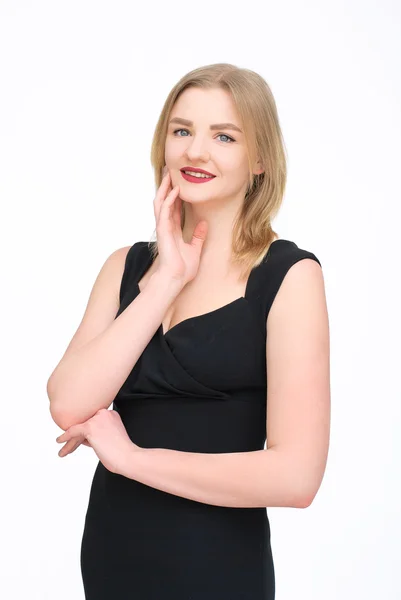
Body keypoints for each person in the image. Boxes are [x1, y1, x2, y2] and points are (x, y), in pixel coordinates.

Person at [47, 63, 331, 599]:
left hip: (216, 567)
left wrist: (131, 459)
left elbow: (296, 478)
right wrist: (167, 280)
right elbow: (68, 403)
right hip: (114, 556)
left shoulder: (290, 277)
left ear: (261, 159)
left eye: (224, 136)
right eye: (182, 131)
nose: (195, 151)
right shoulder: (125, 267)